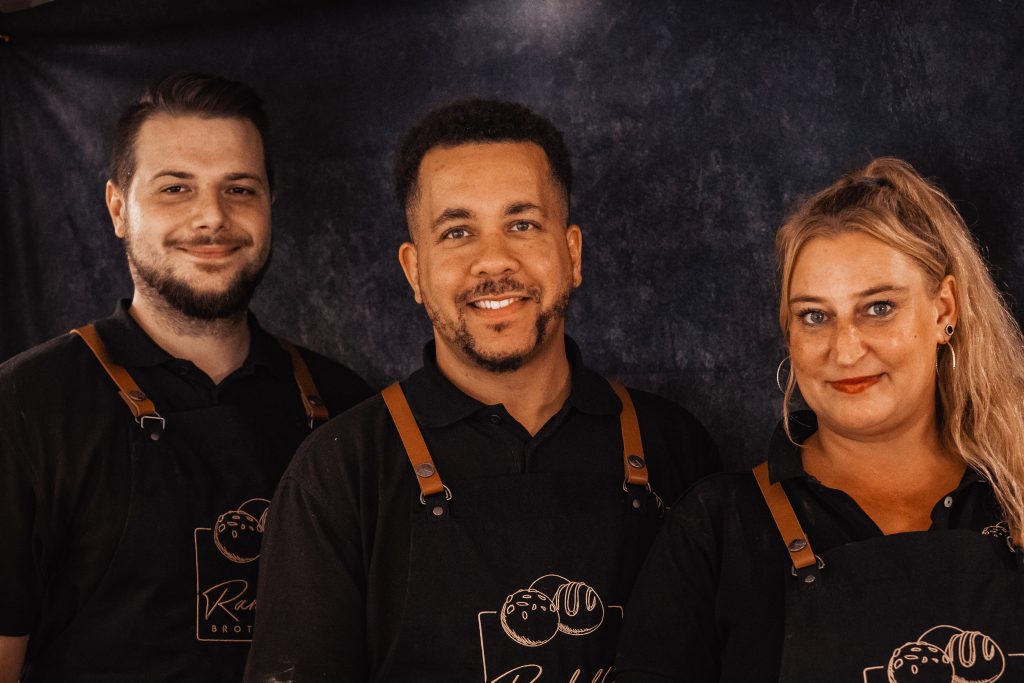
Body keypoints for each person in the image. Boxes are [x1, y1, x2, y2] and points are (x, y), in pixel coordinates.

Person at [244, 98, 719, 682]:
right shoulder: (340, 472)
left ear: (572, 253)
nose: (493, 261)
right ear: (414, 272)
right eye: (458, 232)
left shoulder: (676, 448)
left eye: (522, 224)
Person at [0, 73, 372, 683]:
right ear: (118, 209)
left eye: (240, 189)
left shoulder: (349, 406)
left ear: (270, 205)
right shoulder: (24, 406)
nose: (212, 217)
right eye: (176, 188)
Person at [615, 157, 1024, 682]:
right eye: (815, 316)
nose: (845, 350)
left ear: (944, 310)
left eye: (878, 308)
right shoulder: (718, 529)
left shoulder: (1012, 494)